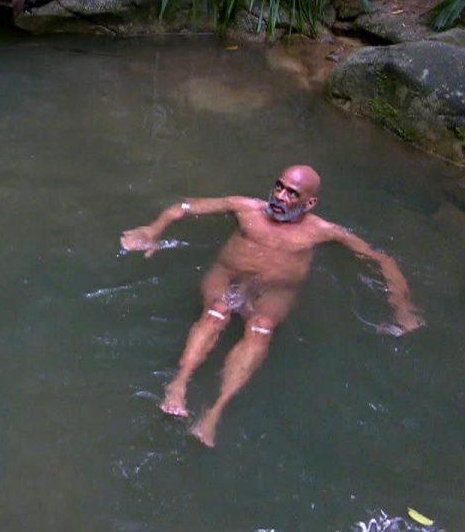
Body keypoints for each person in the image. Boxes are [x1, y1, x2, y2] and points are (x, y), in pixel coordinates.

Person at [120, 165, 423, 448]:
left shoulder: (323, 231)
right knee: (217, 311)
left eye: (292, 193)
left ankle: (214, 412)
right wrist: (152, 231)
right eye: (279, 187)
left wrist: (402, 306)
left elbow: (381, 259)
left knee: (260, 328)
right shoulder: (246, 208)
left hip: (275, 290)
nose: (280, 196)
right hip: (228, 275)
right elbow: (184, 207)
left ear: (309, 203)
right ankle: (178, 385)